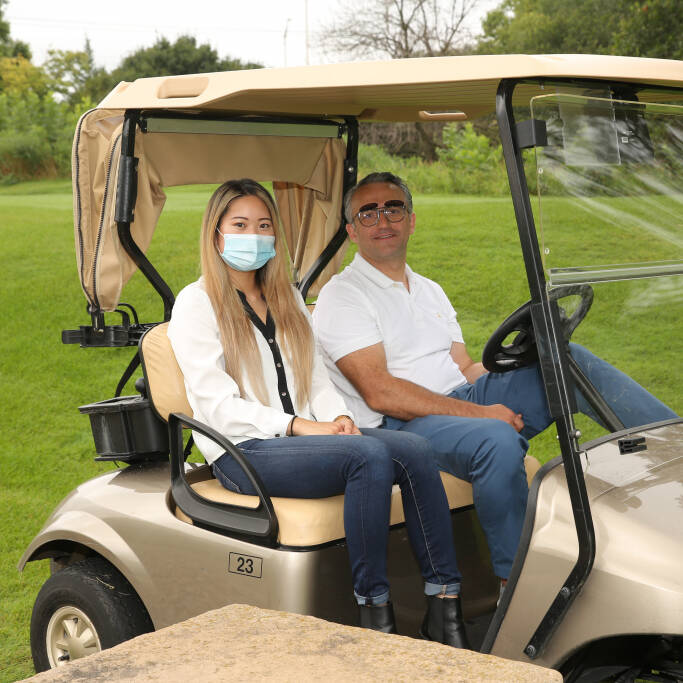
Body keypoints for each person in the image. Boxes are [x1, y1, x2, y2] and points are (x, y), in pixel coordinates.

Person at [312, 171, 678, 594]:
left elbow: (465, 368)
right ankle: (516, 586)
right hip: (397, 426)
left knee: (565, 364)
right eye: (368, 213)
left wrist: (524, 363)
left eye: (393, 209)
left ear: (411, 220)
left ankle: (673, 448)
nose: (383, 220)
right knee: (495, 440)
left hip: (456, 400)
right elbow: (381, 393)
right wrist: (483, 412)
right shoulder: (344, 296)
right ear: (352, 231)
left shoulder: (428, 290)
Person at [167, 178, 471, 647]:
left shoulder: (284, 297)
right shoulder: (197, 303)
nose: (254, 235)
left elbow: (317, 381)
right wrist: (298, 426)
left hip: (305, 442)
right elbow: (216, 405)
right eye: (241, 224)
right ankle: (375, 614)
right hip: (245, 452)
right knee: (366, 457)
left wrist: (337, 419)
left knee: (413, 449)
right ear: (216, 234)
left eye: (264, 224)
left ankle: (444, 605)